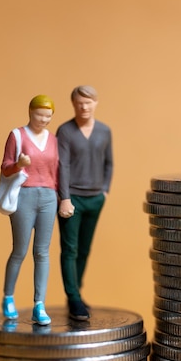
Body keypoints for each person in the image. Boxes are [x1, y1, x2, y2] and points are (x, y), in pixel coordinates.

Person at [0, 95, 59, 325]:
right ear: (30, 112)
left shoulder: (53, 140)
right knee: (20, 250)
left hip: (48, 196)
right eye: (39, 114)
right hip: (24, 194)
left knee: (42, 252)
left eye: (48, 116)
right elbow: (5, 168)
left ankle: (39, 304)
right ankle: (8, 296)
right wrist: (19, 165)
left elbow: (58, 171)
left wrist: (63, 198)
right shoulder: (17, 135)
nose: (43, 119)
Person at [57, 85, 113, 320]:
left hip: (95, 198)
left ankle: (75, 292)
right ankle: (73, 297)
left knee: (84, 249)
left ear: (96, 103)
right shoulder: (65, 131)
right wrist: (65, 197)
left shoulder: (104, 131)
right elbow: (61, 165)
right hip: (72, 199)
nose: (84, 107)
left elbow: (109, 162)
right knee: (69, 248)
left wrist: (105, 191)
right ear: (73, 105)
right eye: (79, 103)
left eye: (88, 102)